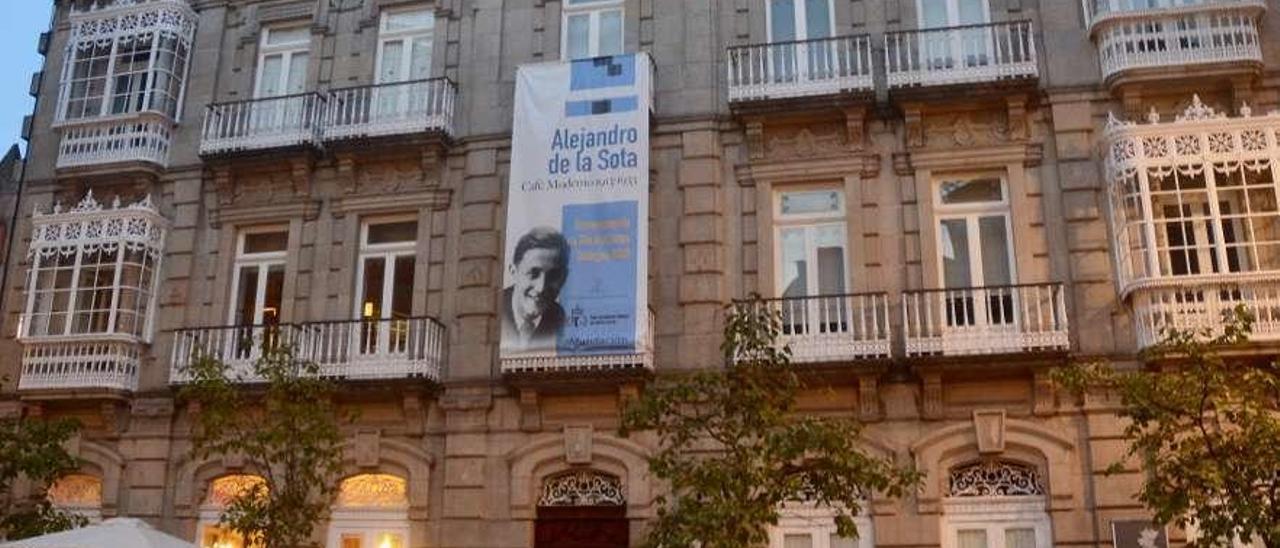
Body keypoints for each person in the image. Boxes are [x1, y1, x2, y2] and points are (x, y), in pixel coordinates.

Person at [501, 227, 570, 352]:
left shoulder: (562, 321)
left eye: (553, 276)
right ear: (513, 271)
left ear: (564, 278)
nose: (541, 287)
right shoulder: (494, 311)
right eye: (533, 273)